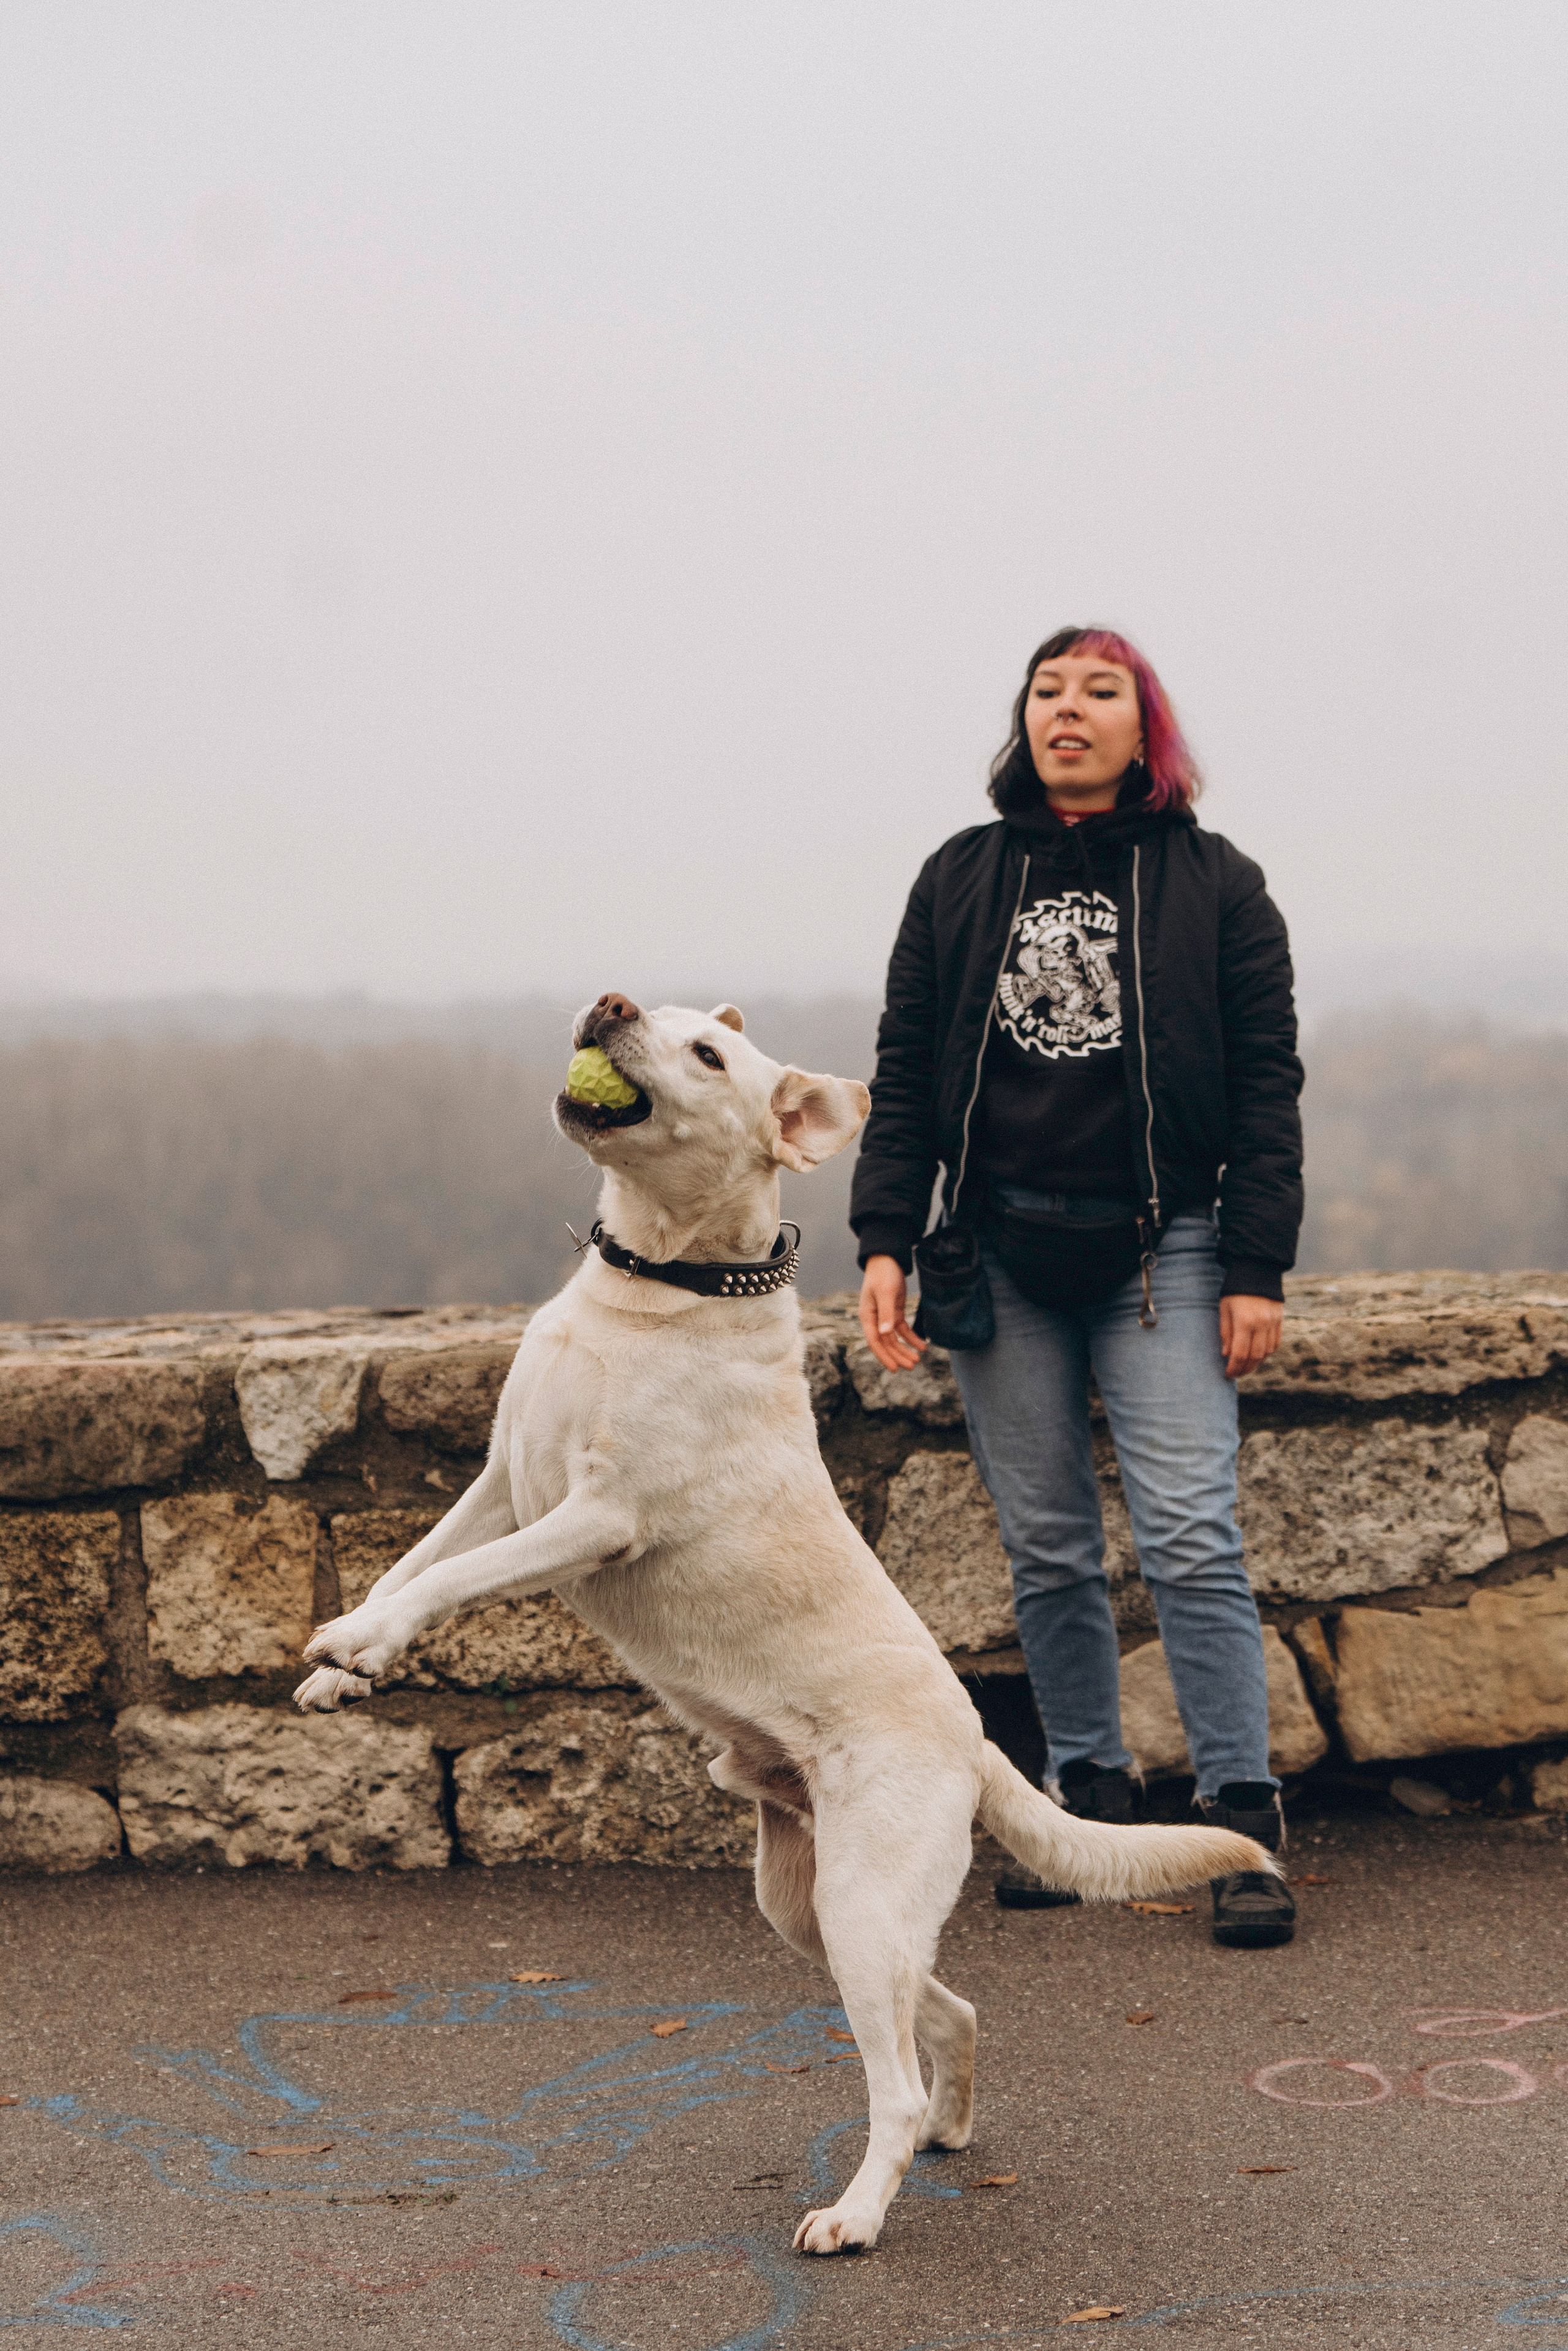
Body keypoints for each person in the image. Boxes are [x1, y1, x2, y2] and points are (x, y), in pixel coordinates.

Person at [851, 627, 1303, 1948]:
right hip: (996, 1249)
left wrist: (1253, 1262)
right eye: (1047, 690)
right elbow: (905, 1059)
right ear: (1023, 721)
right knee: (1046, 1547)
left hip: (1162, 1255)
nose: (1068, 709)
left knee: (1189, 1538)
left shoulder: (1216, 884)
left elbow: (1265, 1085)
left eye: (1097, 690)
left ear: (1141, 726)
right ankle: (1084, 1802)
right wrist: (885, 1234)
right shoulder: (961, 874)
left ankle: (1239, 1821)